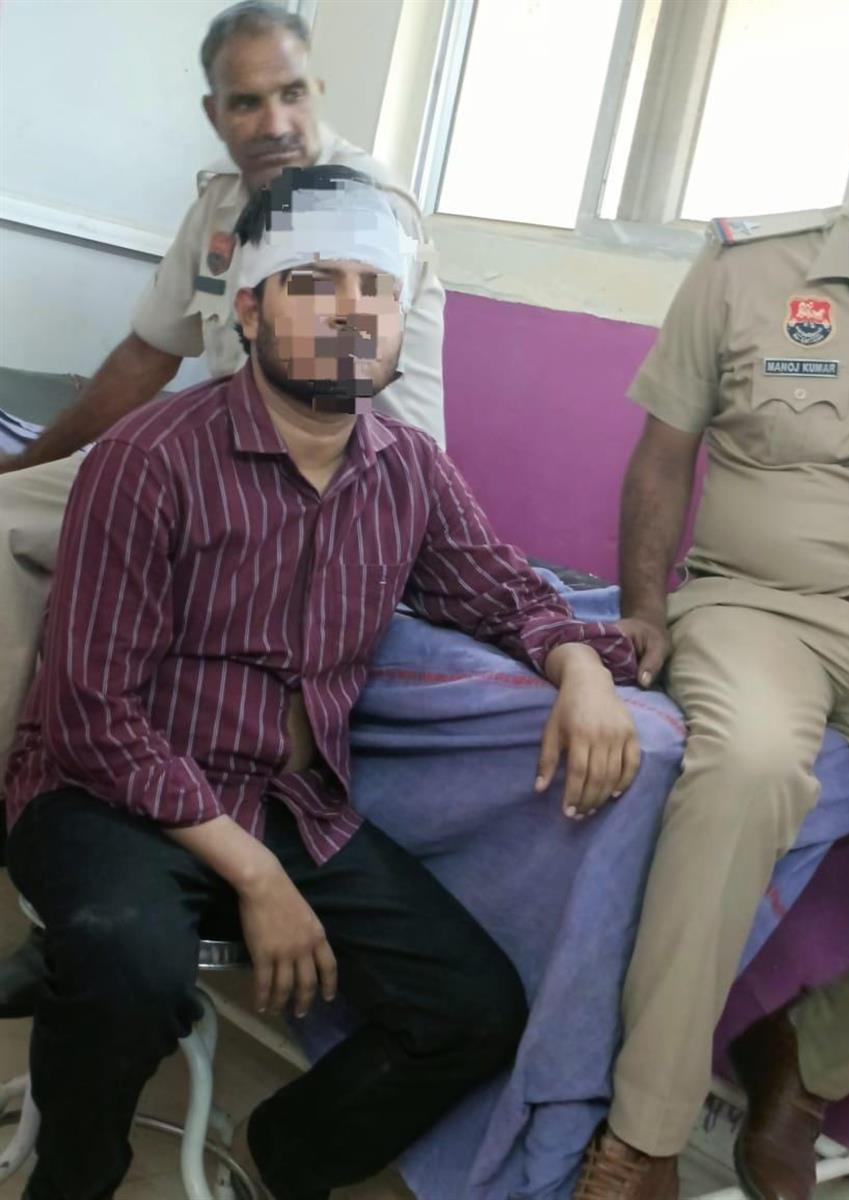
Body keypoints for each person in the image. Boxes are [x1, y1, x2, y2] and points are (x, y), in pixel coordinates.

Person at [4, 164, 640, 1200]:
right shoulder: (149, 459)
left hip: (286, 801)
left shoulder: (408, 468)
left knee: (471, 1012)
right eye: (315, 282)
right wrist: (258, 877)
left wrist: (581, 671)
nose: (353, 309)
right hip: (109, 796)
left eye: (375, 287)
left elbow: (503, 592)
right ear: (251, 310)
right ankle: (73, 1180)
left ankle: (281, 1159)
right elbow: (91, 718)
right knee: (129, 963)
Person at [574, 82, 849, 1200]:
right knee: (748, 770)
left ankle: (806, 1057)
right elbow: (663, 454)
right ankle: (644, 1136)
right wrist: (643, 608)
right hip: (758, 607)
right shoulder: (752, 267)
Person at [0, 0, 445, 784]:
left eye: (292, 94)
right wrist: (30, 461)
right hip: (209, 458)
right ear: (215, 114)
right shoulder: (221, 203)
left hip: (332, 485)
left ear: (317, 91)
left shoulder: (366, 207)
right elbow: (148, 355)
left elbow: (356, 408)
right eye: (247, 102)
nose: (275, 123)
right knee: (6, 520)